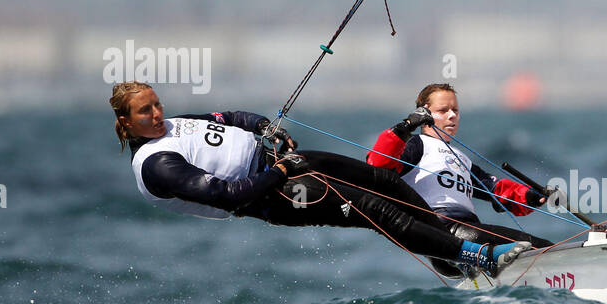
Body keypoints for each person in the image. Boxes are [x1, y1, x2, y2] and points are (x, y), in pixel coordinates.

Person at [109, 81, 530, 277]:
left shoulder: (172, 125)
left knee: (384, 182)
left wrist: (260, 125)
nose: (158, 115)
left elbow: (227, 118)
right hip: (276, 193)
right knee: (375, 210)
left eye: (157, 104)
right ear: (126, 124)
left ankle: (447, 247)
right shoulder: (156, 163)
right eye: (145, 112)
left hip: (285, 161)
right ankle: (475, 256)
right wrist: (278, 171)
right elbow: (228, 196)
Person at [366, 84, 555, 260]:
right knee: (539, 247)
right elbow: (378, 165)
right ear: (423, 114)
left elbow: (495, 189)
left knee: (522, 247)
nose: (452, 115)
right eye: (443, 110)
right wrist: (406, 126)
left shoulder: (459, 157)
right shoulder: (416, 145)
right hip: (442, 231)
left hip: (467, 234)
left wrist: (529, 196)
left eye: (455, 110)